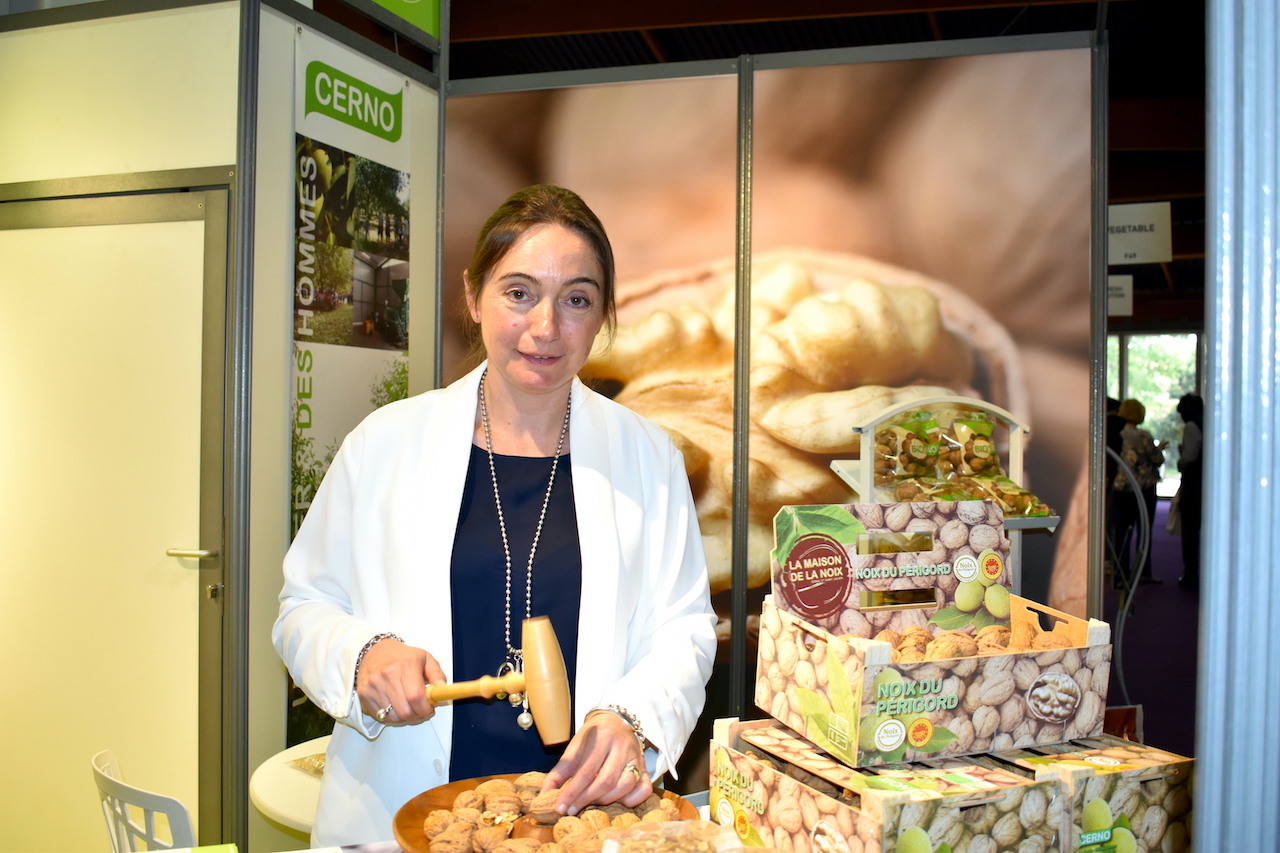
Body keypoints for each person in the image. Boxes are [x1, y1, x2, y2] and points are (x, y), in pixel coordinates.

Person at [274, 185, 718, 847]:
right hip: (409, 812)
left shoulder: (646, 457)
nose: (546, 327)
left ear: (603, 315)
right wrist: (363, 655)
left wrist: (633, 717)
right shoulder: (385, 444)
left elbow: (684, 628)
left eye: (576, 299)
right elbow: (303, 606)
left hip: (576, 820)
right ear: (473, 295)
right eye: (518, 293)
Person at [1112, 398, 1167, 586]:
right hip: (1143, 488)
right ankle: (1144, 571)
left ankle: (1120, 573)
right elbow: (1157, 459)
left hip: (1121, 487)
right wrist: (1159, 449)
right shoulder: (1143, 436)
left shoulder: (1117, 434)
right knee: (1144, 530)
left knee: (1121, 531)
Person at [1175, 393, 1204, 588]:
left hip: (1193, 483)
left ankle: (1191, 573)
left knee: (1190, 531)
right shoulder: (1209, 423)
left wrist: (1180, 460)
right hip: (1206, 482)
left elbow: (1189, 457)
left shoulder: (1192, 426)